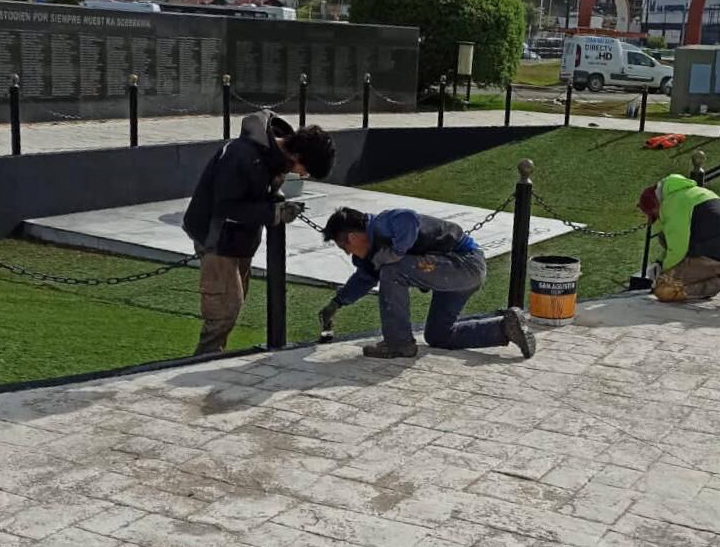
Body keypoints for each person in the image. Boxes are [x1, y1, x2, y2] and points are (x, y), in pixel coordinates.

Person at [183, 109, 336, 354]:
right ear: (297, 154)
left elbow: (260, 196)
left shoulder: (274, 158)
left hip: (241, 240)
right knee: (224, 311)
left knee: (231, 305)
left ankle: (213, 360)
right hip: (216, 238)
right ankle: (204, 362)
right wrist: (272, 213)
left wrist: (274, 204)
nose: (300, 174)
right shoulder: (241, 155)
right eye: (304, 170)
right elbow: (225, 206)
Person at [317, 207, 536, 360]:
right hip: (451, 274)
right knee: (438, 335)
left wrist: (395, 252)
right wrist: (337, 302)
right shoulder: (373, 253)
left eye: (343, 247)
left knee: (392, 270)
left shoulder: (385, 223)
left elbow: (409, 219)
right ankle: (506, 327)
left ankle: (398, 343)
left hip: (464, 264)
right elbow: (364, 277)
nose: (348, 253)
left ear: (353, 238)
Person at [637, 174, 720, 307]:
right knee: (664, 237)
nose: (657, 218)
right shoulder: (693, 192)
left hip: (713, 250)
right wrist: (660, 262)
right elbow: (673, 242)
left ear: (656, 205)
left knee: (664, 289)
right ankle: (719, 275)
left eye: (654, 214)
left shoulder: (671, 204)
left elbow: (678, 249)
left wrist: (662, 273)